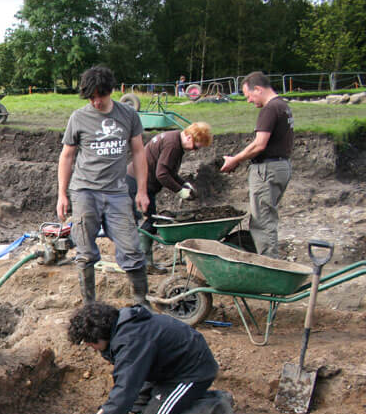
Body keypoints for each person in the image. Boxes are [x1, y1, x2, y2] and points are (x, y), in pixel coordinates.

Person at [59, 302, 236, 414]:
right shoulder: (119, 326)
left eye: (91, 344)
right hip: (165, 368)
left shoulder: (131, 341)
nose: (92, 349)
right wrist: (103, 413)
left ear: (100, 335)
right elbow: (125, 383)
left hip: (191, 373)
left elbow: (125, 391)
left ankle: (214, 405)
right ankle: (189, 400)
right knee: (136, 407)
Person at [57, 66, 151, 307]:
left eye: (100, 96)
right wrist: (62, 194)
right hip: (85, 191)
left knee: (132, 249)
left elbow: (139, 152)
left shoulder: (128, 115)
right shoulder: (78, 118)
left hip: (117, 192)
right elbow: (67, 156)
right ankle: (89, 305)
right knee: (85, 252)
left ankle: (141, 302)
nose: (96, 102)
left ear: (110, 91)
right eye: (91, 97)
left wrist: (141, 190)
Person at [220, 71, 294, 258]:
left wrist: (235, 160)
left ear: (258, 89)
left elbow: (259, 144)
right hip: (281, 166)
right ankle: (268, 262)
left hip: (267, 170)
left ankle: (270, 267)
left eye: (249, 96)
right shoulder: (283, 106)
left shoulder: (270, 109)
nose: (249, 101)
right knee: (266, 218)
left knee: (262, 221)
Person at [127, 122, 213, 271]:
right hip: (138, 182)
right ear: (188, 136)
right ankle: (144, 263)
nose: (194, 150)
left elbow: (169, 171)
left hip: (137, 179)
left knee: (149, 220)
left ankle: (141, 261)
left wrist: (184, 184)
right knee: (151, 221)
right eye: (196, 146)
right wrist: (180, 191)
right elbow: (162, 174)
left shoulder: (174, 139)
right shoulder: (173, 145)